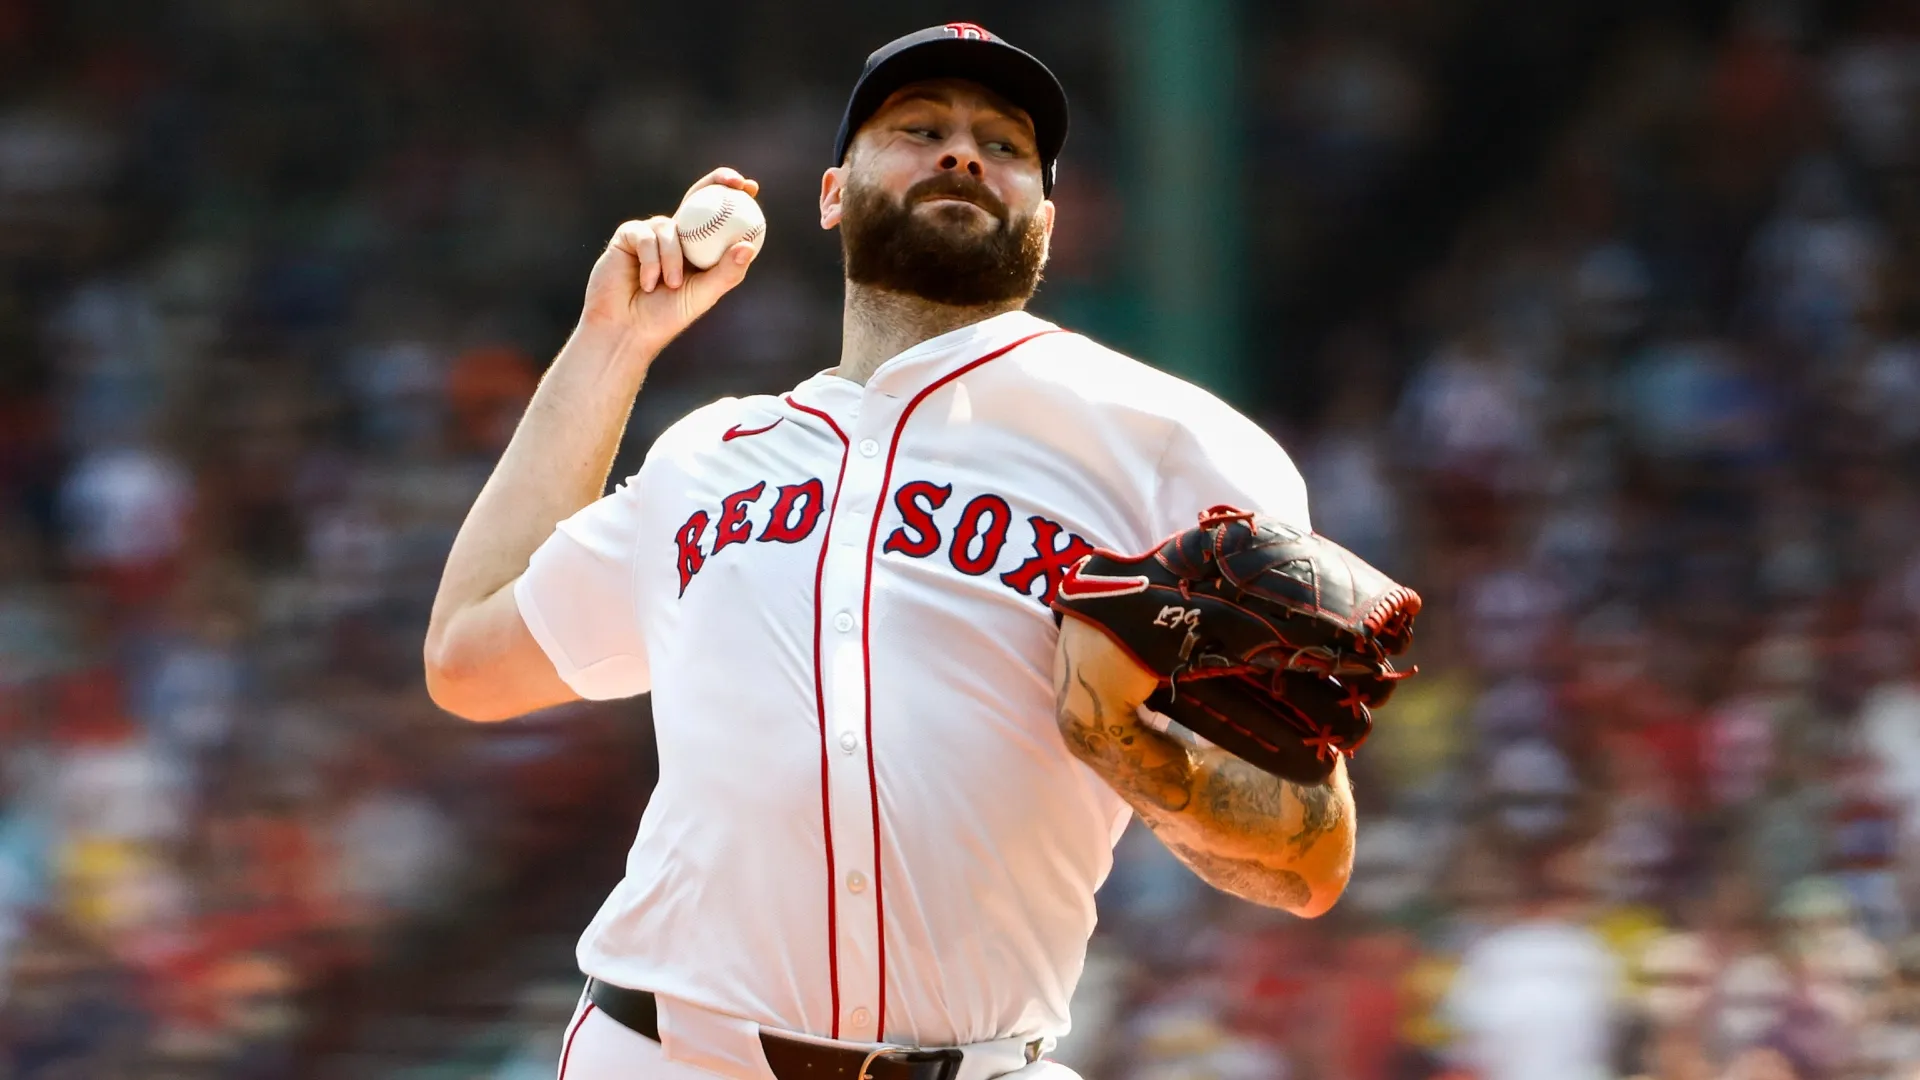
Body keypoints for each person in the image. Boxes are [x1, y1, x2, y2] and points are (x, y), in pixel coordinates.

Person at [423, 23, 1356, 1080]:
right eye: (919, 128)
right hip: (664, 1053)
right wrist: (613, 341)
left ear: (1044, 222)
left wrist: (1131, 751)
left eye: (1004, 146)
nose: (963, 153)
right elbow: (468, 658)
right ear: (831, 193)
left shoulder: (1178, 452)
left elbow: (1309, 858)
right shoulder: (711, 456)